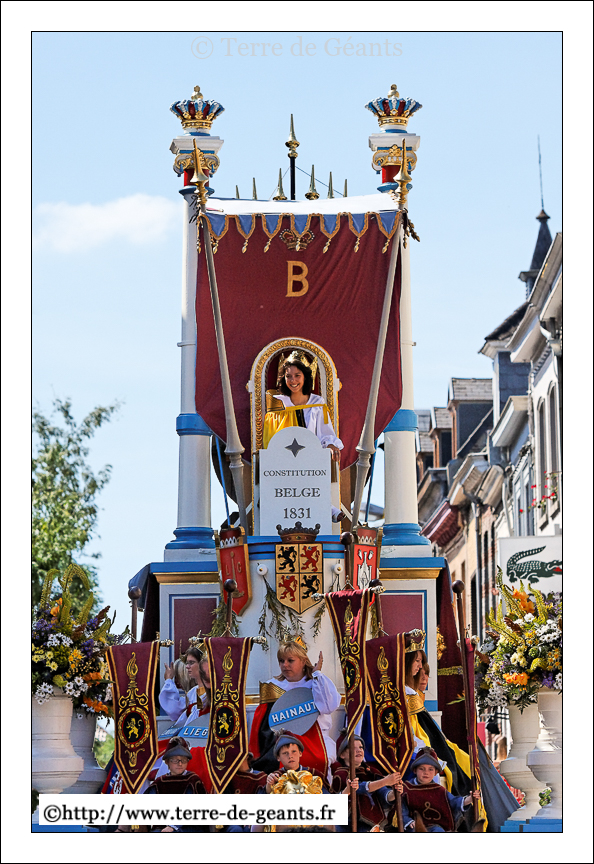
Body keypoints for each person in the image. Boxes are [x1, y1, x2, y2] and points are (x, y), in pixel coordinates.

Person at [263, 351, 344, 521]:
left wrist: (330, 445)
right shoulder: (278, 402)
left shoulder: (317, 402)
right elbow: (272, 432)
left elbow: (324, 431)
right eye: (288, 376)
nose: (293, 380)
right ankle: (328, 509)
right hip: (284, 456)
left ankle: (327, 508)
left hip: (311, 455)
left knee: (312, 474)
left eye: (297, 375)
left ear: (306, 377)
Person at [249, 639, 341, 777]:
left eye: (290, 660)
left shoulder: (316, 683)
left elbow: (329, 706)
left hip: (316, 742)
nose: (285, 665)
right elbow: (261, 725)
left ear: (303, 661)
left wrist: (317, 675)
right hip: (281, 744)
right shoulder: (273, 687)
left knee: (317, 762)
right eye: (281, 661)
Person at [395, 748, 480, 833]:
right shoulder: (406, 789)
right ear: (415, 770)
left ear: (436, 772)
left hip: (436, 827)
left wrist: (470, 799)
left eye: (430, 769)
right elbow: (401, 810)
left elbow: (454, 802)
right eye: (421, 768)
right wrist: (409, 821)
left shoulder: (439, 790)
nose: (426, 772)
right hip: (414, 827)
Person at [330, 735, 401, 832]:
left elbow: (382, 792)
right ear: (342, 755)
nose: (359, 750)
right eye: (353, 748)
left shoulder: (371, 772)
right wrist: (384, 781)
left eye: (361, 747)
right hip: (348, 825)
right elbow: (358, 788)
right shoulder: (341, 774)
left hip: (372, 824)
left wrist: (393, 793)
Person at [142, 737, 207, 834]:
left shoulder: (192, 780)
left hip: (189, 826)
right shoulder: (160, 782)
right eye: (175, 760)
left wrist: (173, 826)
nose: (180, 764)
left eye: (183, 760)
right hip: (163, 826)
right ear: (167, 762)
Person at [159, 647, 211, 724]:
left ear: (203, 664)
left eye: (191, 662)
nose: (187, 666)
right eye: (187, 663)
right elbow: (174, 709)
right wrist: (168, 680)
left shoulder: (214, 691)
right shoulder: (192, 693)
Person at [265, 734, 329, 793]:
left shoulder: (313, 773)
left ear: (300, 753)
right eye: (285, 753)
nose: (290, 756)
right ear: (278, 757)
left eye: (294, 751)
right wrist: (269, 785)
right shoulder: (276, 777)